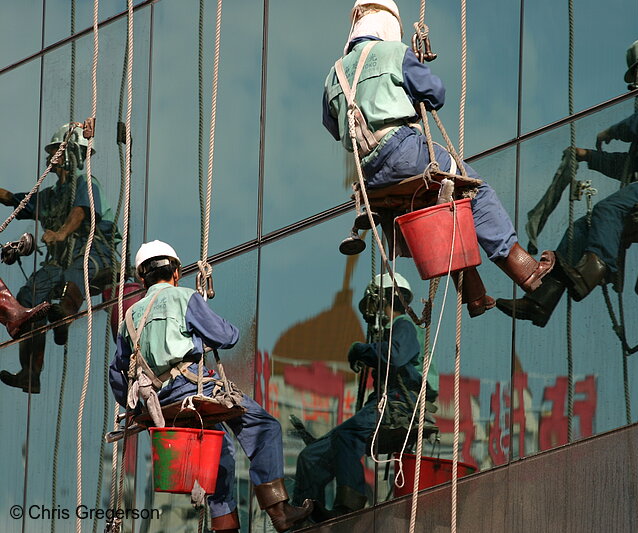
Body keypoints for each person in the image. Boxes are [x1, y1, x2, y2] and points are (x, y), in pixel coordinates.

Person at [323, 0, 554, 318]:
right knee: (475, 190)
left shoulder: (334, 74)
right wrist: (410, 72)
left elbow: (334, 128)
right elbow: (435, 94)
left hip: (368, 174)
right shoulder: (394, 53)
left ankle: (473, 294)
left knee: (435, 207)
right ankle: (524, 269)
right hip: (404, 151)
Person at [497, 36, 638, 326]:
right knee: (580, 229)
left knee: (606, 210)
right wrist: (588, 157)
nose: (636, 88)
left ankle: (594, 271)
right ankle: (541, 301)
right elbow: (631, 165)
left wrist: (615, 129)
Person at [108, 241, 312, 533]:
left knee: (219, 456)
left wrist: (138, 407)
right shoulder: (183, 297)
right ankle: (279, 512)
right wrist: (200, 331)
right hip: (192, 387)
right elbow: (227, 336)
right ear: (176, 272)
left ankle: (225, 527)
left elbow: (117, 373)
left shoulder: (130, 316)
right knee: (263, 427)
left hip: (158, 402)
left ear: (142, 279)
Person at [292, 273, 437, 520]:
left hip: (397, 403)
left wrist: (362, 350)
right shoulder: (390, 332)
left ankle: (350, 503)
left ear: (383, 299)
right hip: (383, 402)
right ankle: (307, 518)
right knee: (310, 456)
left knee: (347, 435)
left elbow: (395, 356)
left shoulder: (404, 325)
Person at [0, 123, 120, 393]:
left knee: (73, 275)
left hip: (94, 252)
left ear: (68, 154)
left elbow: (80, 212)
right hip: (60, 262)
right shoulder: (50, 195)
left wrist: (60, 233)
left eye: (54, 151)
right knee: (27, 299)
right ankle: (31, 372)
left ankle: (64, 317)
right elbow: (13, 200)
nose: (49, 158)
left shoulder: (87, 184)